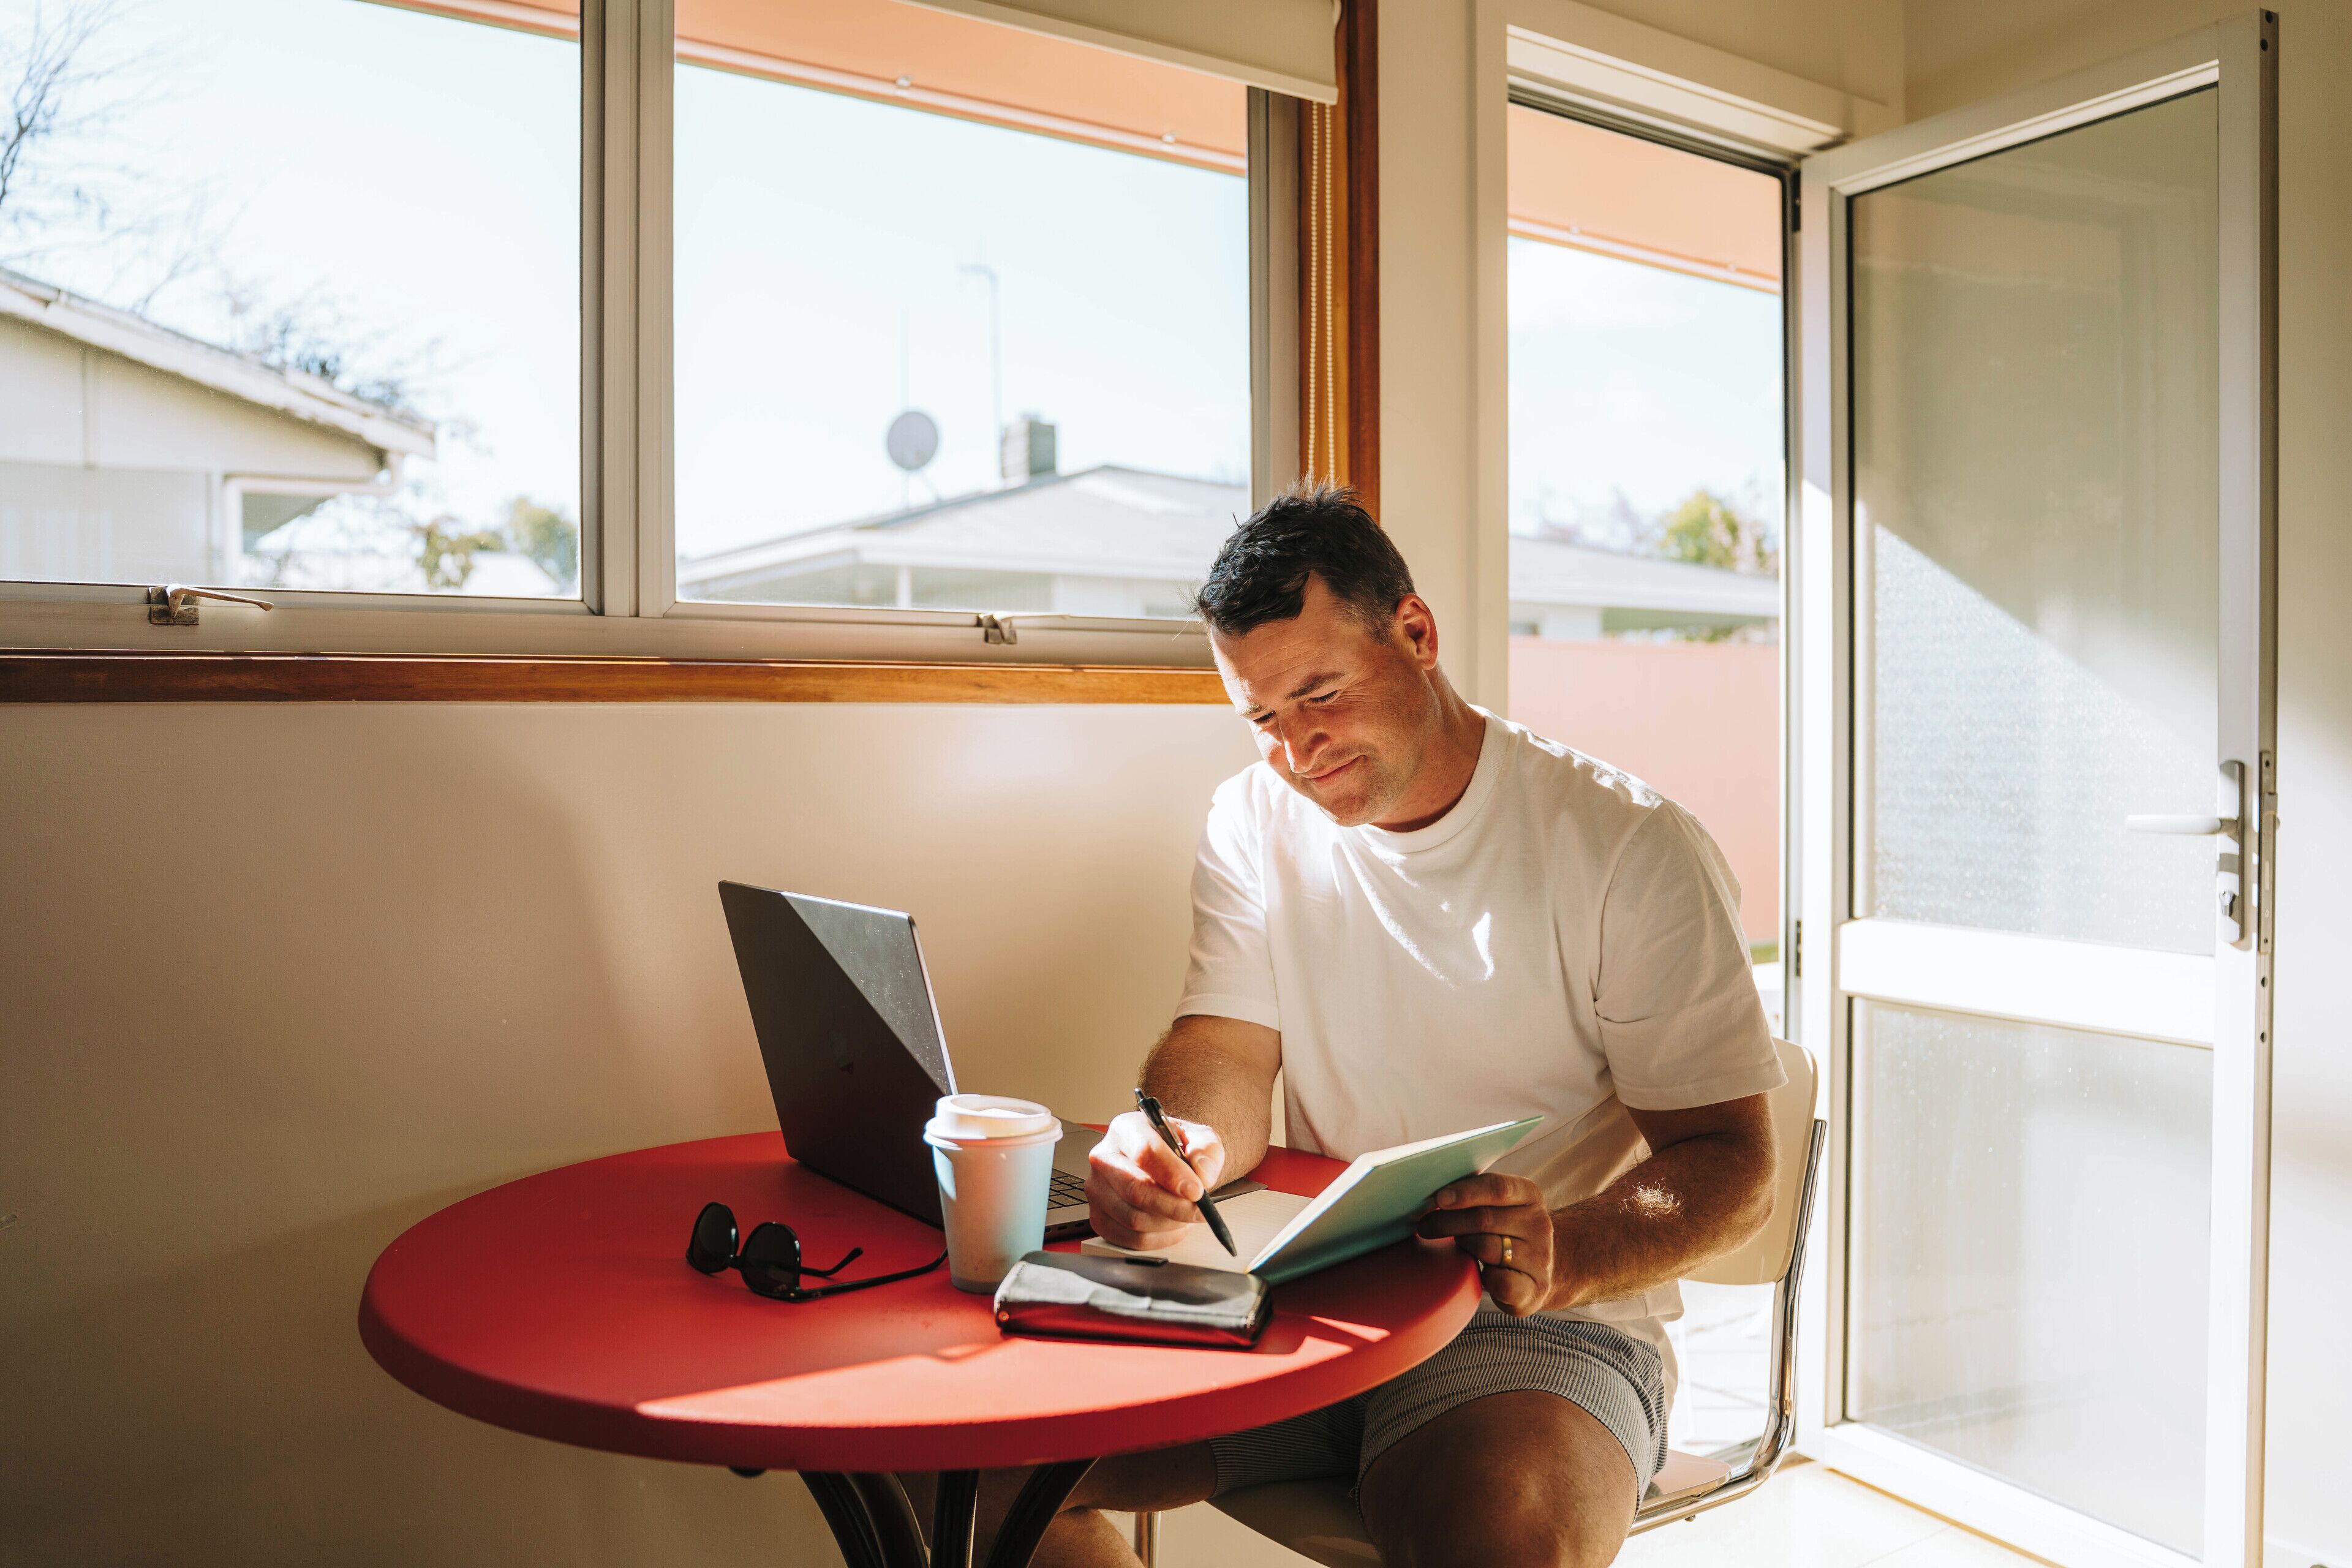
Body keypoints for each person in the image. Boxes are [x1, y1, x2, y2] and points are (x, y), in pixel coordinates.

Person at [968, 483, 1784, 1568]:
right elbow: (1223, 1046)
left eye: (1322, 695)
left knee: (1495, 1543)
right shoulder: (1252, 819)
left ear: (1416, 633)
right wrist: (1183, 1146)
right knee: (992, 1481)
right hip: (1299, 1298)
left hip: (1528, 1325)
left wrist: (1567, 1248)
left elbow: (1730, 1158)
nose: (1299, 751)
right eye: (1264, 719)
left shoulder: (1624, 848)